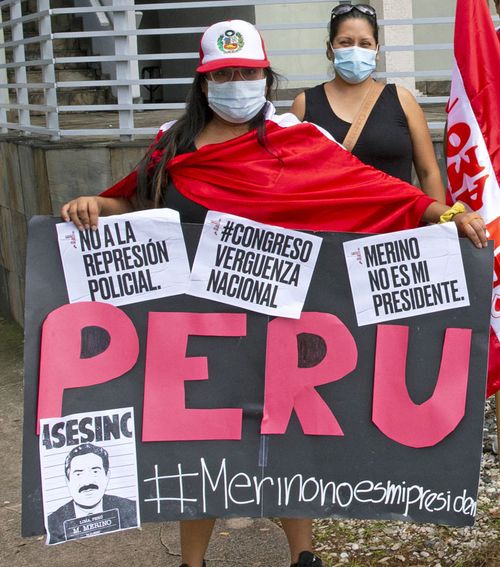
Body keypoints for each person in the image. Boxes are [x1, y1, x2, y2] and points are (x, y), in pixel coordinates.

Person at [61, 19, 487, 567]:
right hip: (201, 328)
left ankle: (302, 556)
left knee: (288, 438)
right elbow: (135, 202)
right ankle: (193, 562)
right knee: (201, 446)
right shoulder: (172, 144)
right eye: (225, 74)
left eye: (248, 73)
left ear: (265, 78)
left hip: (286, 319)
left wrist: (439, 211)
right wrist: (96, 206)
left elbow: (369, 189)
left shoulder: (296, 140)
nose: (237, 83)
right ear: (204, 81)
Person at [291, 3, 446, 203]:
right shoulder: (304, 105)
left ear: (377, 51)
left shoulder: (403, 100)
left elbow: (428, 173)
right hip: (334, 232)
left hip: (399, 230)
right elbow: (291, 178)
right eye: (345, 42)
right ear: (329, 49)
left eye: (365, 44)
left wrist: (441, 226)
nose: (355, 50)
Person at [47, 443, 138, 544]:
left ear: (107, 476)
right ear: (67, 481)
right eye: (78, 474)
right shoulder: (52, 524)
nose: (87, 482)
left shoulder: (132, 510)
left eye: (95, 472)